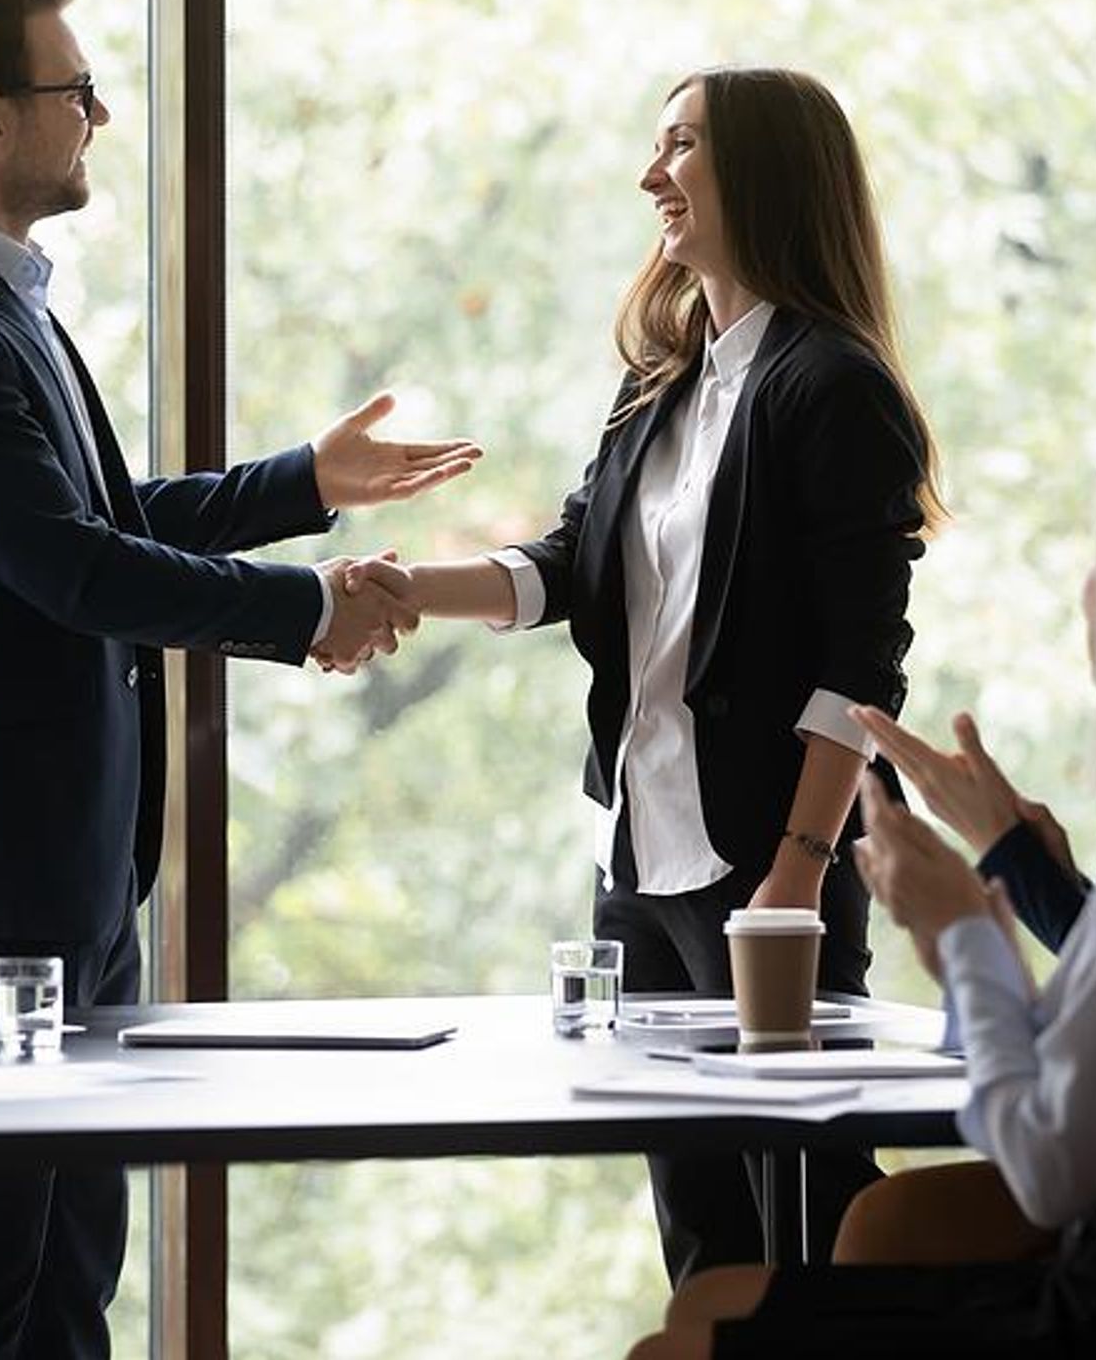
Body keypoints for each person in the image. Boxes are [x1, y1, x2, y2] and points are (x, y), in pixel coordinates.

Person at [0, 0, 479, 1358]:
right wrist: (306, 612)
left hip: (59, 867)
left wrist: (308, 478)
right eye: (76, 90)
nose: (101, 113)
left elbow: (95, 525)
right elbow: (74, 573)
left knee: (67, 1281)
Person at [370, 67, 942, 1282]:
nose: (649, 178)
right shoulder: (661, 381)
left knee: (808, 1219)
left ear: (763, 174)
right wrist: (408, 587)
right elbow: (572, 565)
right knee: (698, 1231)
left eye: (678, 148)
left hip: (762, 876)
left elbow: (859, 671)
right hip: (636, 863)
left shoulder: (834, 390)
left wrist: (796, 872)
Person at [629, 407, 1096, 1359]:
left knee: (694, 1331)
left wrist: (967, 943)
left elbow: (1045, 1166)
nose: (1087, 588)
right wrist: (991, 908)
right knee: (721, 1304)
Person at [829, 363, 1096, 1266]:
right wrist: (1012, 857)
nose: (1090, 589)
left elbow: (1066, 1139)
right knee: (873, 1230)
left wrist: (968, 932)